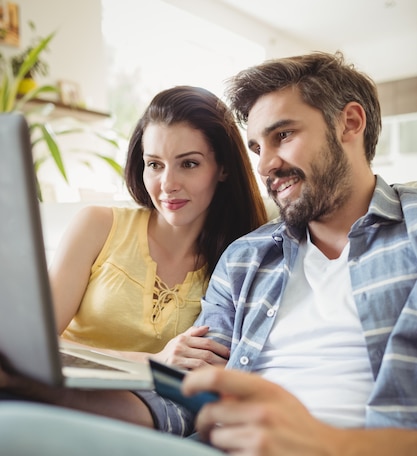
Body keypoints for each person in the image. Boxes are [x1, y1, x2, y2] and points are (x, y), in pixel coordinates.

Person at [0, 51, 417, 456]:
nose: (267, 163)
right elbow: (180, 397)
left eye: (284, 135)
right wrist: (33, 383)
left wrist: (335, 455)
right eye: (256, 146)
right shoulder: (249, 257)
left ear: (350, 124)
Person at [50, 85, 267, 366]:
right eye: (154, 164)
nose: (167, 185)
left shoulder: (239, 264)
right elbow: (35, 344)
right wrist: (151, 361)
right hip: (55, 391)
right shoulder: (96, 225)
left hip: (142, 409)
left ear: (223, 168)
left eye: (188, 164)